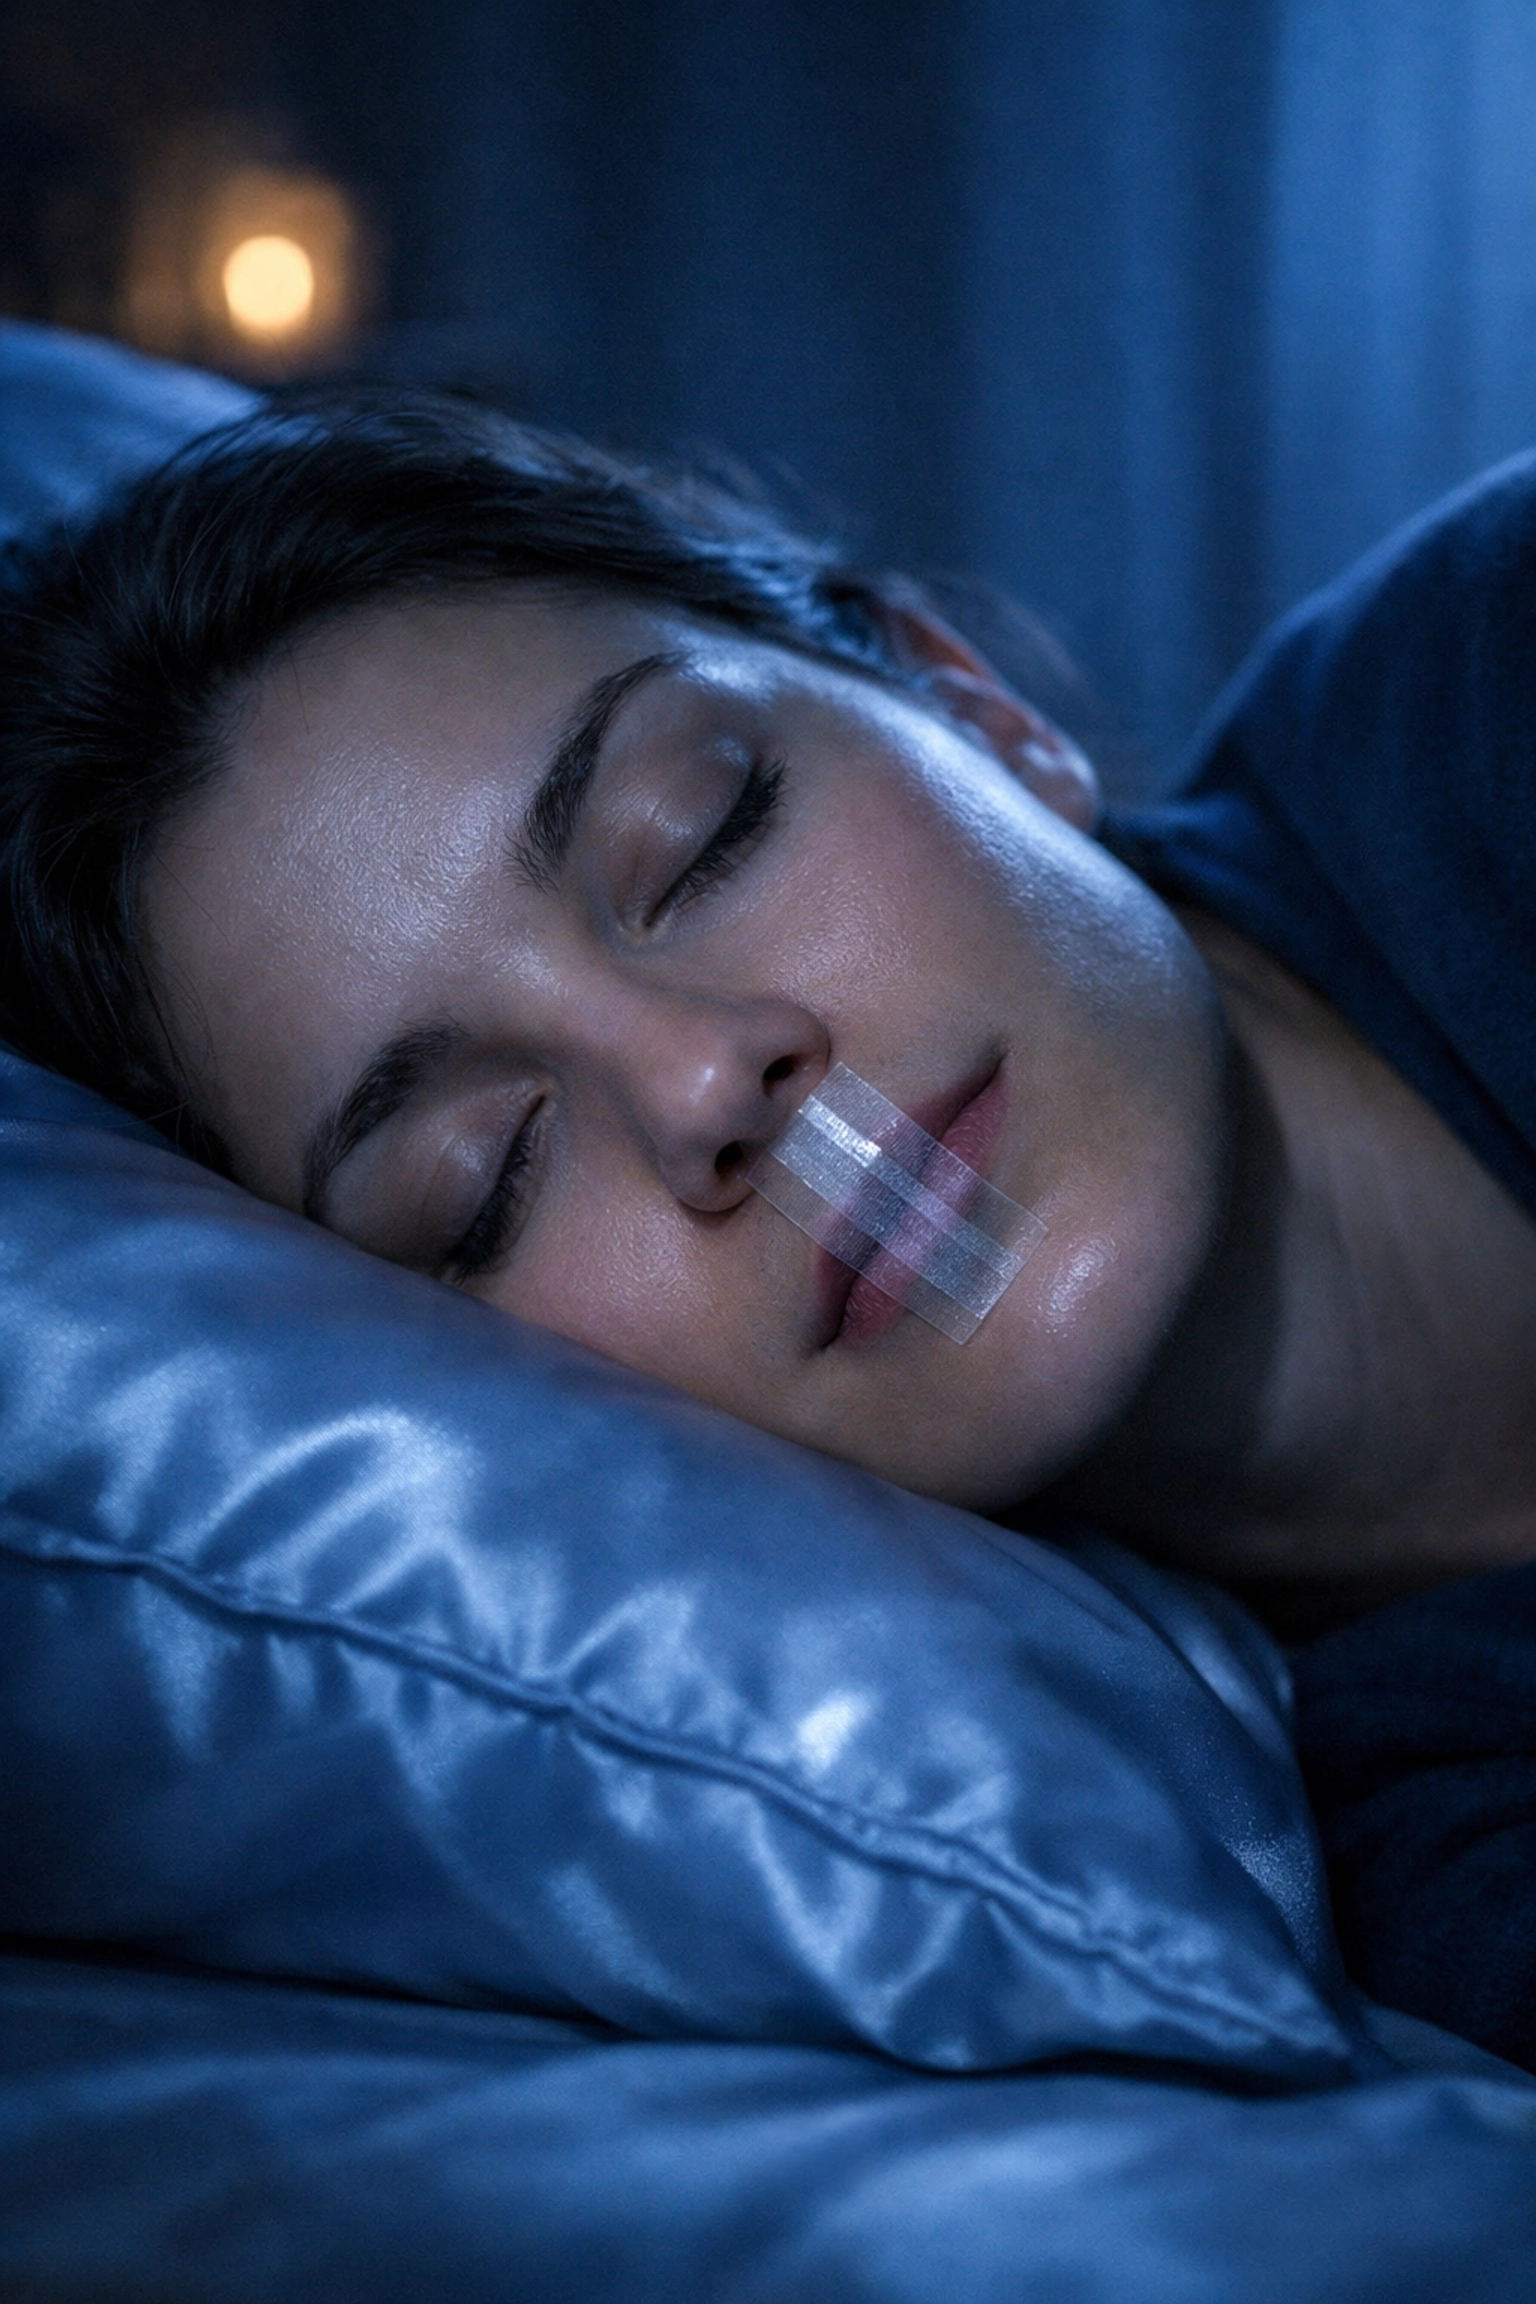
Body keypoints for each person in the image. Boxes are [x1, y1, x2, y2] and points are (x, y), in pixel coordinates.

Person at [1, 393, 1533, 2062]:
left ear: (973, 700)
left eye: (702, 837)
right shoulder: (1421, 1879)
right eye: (489, 1176)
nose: (708, 1076)